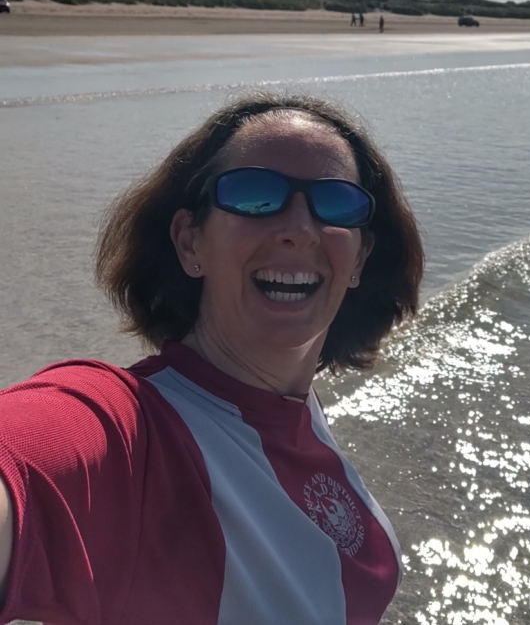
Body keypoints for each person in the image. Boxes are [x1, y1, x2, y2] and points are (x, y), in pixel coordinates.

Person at [0, 93, 424, 624]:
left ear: (359, 257)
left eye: (337, 203)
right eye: (254, 196)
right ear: (189, 242)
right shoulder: (124, 429)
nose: (299, 228)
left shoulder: (296, 407)